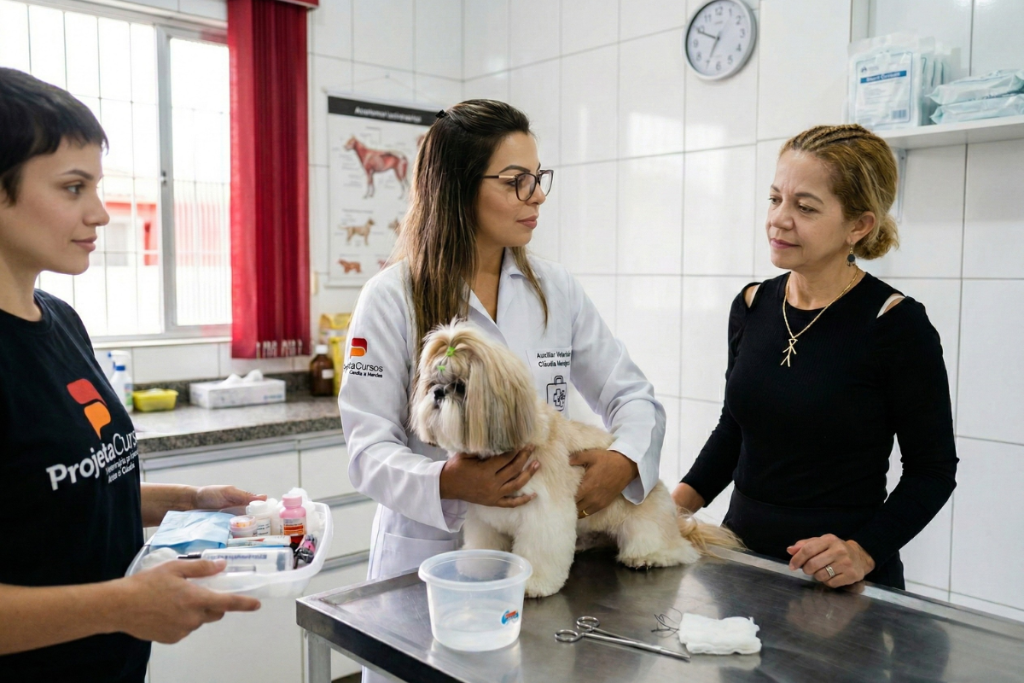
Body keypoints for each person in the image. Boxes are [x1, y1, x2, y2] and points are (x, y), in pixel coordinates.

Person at [0, 67, 262, 682]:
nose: (100, 212)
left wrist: (192, 503)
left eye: (97, 185)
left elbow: (56, 494)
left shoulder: (60, 321)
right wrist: (125, 604)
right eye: (72, 188)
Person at [339, 100, 666, 583]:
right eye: (516, 182)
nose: (537, 197)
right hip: (429, 554)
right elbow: (367, 450)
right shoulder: (390, 298)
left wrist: (625, 459)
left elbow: (631, 395)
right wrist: (448, 482)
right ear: (457, 187)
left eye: (538, 178)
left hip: (538, 552)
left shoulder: (556, 289)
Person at [673, 124, 958, 590]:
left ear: (859, 225)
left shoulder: (895, 324)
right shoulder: (751, 305)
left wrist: (863, 551)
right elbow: (735, 428)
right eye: (774, 199)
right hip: (738, 559)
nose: (779, 219)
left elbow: (933, 470)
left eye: (805, 207)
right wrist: (670, 509)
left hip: (839, 577)